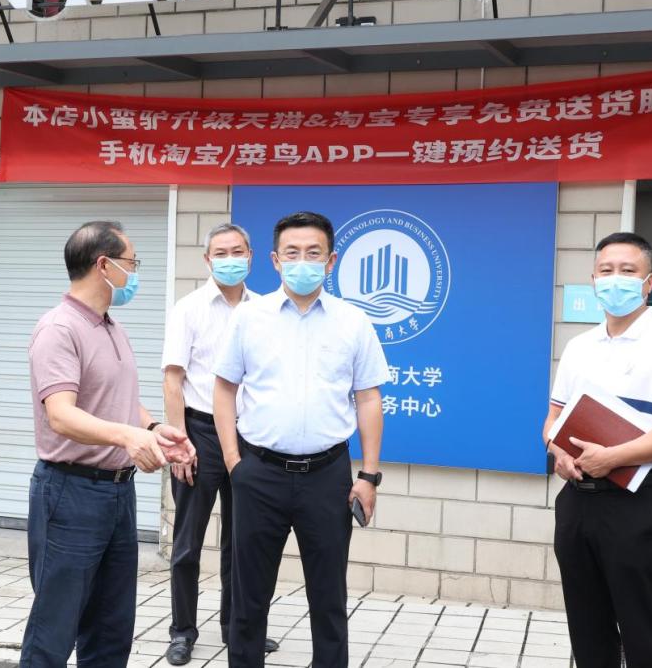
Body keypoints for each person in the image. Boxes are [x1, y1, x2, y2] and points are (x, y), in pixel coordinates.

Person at [213, 211, 389, 668]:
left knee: (329, 598)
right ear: (275, 260)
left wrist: (368, 476)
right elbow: (224, 389)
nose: (302, 262)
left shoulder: (352, 321)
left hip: (328, 476)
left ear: (331, 261)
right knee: (249, 598)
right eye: (292, 253)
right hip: (259, 473)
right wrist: (233, 462)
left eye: (314, 253)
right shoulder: (249, 318)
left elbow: (368, 398)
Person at [22, 221, 195, 667]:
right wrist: (126, 436)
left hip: (118, 493)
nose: (134, 272)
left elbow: (118, 401)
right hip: (70, 493)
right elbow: (61, 414)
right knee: (54, 628)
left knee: (111, 628)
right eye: (131, 262)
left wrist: (153, 427)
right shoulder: (58, 329)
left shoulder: (112, 327)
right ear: (104, 265)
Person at [541, 232, 652, 668]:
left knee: (644, 634)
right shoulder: (579, 347)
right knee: (588, 633)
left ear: (648, 283)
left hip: (639, 504)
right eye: (606, 270)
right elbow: (552, 419)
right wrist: (558, 453)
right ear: (594, 281)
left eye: (628, 271)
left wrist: (612, 458)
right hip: (579, 503)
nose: (616, 279)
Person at [162, 223, 279, 664]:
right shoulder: (189, 309)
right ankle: (182, 631)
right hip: (200, 434)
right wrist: (179, 442)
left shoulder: (265, 310)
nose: (230, 259)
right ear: (207, 260)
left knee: (242, 540)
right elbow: (173, 379)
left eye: (237, 251)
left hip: (250, 437)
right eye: (221, 253)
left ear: (251, 255)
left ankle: (237, 628)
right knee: (187, 541)